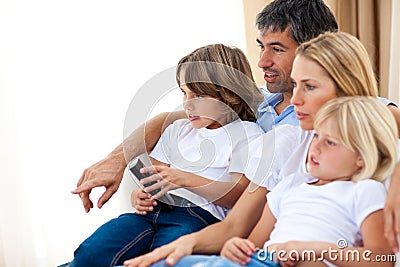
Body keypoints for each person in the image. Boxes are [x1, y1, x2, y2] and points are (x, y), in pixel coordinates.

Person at [71, 0, 400, 251]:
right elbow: (168, 118)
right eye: (261, 47)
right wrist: (116, 160)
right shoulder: (257, 101)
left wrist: (397, 184)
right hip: (229, 231)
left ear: (316, 50)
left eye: (276, 49)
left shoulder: (356, 109)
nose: (262, 62)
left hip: (244, 231)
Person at [68, 44, 264, 267]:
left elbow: (236, 195)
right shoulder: (178, 129)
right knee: (90, 254)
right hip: (152, 212)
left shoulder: (247, 134)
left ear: (230, 94)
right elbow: (152, 177)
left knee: (165, 261)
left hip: (198, 218)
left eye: (198, 94)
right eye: (184, 92)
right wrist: (138, 196)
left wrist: (185, 179)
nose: (187, 103)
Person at [148, 96, 398, 267]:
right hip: (262, 260)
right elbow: (253, 244)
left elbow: (382, 258)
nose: (316, 146)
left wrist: (316, 249)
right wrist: (235, 247)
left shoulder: (365, 191)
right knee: (164, 262)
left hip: (307, 261)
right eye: (317, 136)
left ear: (362, 158)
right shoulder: (290, 185)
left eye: (330, 142)